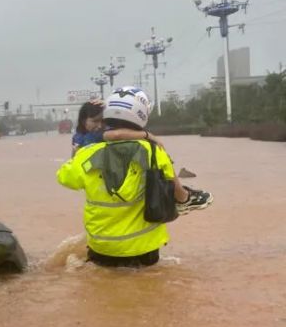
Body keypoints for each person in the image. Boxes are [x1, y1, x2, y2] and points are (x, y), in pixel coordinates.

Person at [57, 87, 213, 268]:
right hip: (144, 249)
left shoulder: (85, 155)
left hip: (102, 248)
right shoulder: (153, 151)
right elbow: (177, 193)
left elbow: (65, 178)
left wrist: (79, 157)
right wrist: (185, 198)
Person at [72, 99, 164, 156]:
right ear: (83, 120)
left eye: (102, 121)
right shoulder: (92, 136)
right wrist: (148, 135)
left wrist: (107, 105)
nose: (99, 125)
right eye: (95, 121)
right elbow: (116, 135)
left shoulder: (78, 137)